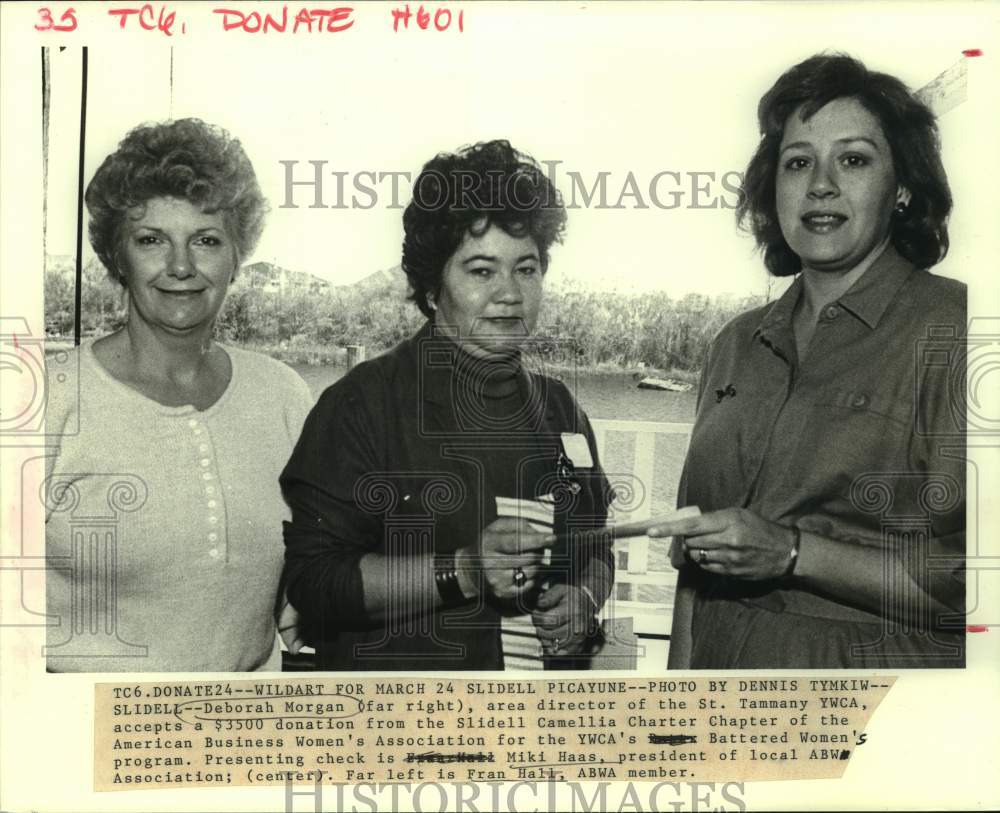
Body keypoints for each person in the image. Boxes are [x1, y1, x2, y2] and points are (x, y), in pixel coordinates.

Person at [653, 54, 966, 669]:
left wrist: (796, 554)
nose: (821, 184)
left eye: (853, 159)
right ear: (774, 189)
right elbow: (695, 566)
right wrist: (677, 712)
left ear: (902, 187)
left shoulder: (960, 331)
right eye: (798, 162)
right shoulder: (734, 344)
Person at [281, 140, 615, 670]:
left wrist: (586, 600)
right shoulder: (361, 405)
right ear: (433, 287)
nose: (509, 293)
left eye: (526, 269)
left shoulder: (561, 410)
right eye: (482, 271)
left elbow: (598, 545)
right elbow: (315, 581)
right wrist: (463, 571)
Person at [44, 118, 313, 671]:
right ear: (117, 257)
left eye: (207, 240)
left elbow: (303, 570)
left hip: (242, 737)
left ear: (237, 255)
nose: (182, 267)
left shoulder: (283, 394)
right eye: (151, 240)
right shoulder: (45, 399)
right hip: (86, 736)